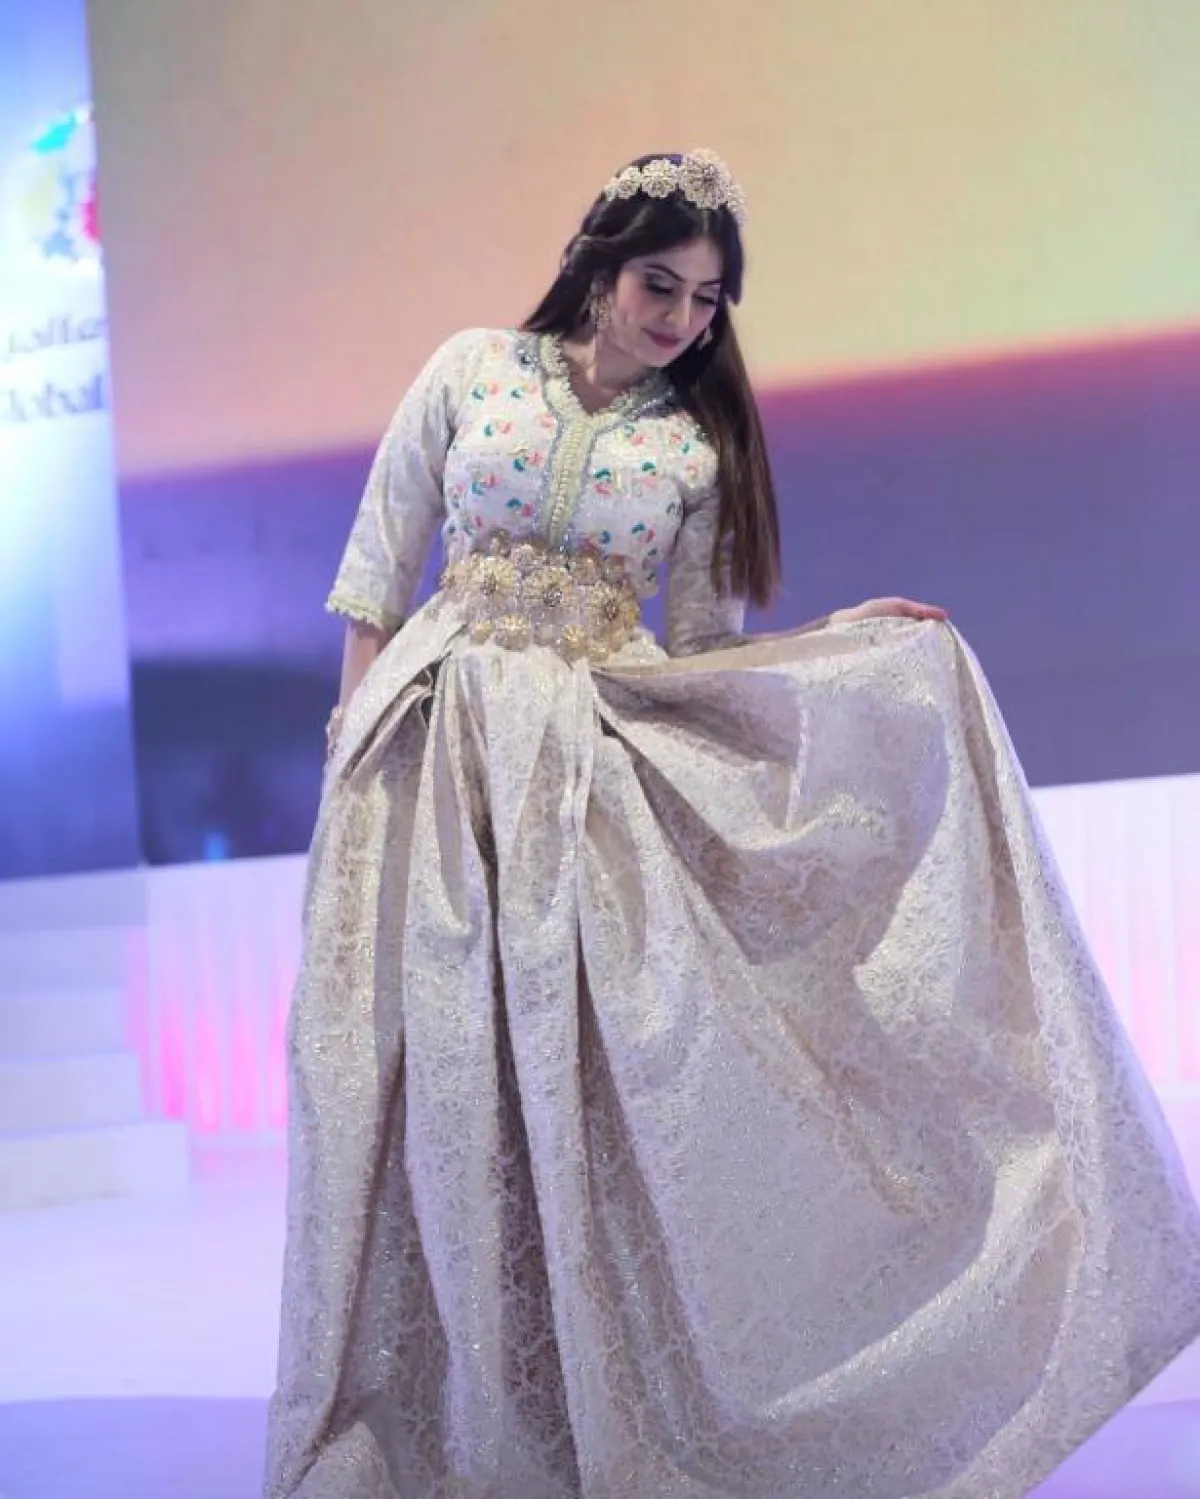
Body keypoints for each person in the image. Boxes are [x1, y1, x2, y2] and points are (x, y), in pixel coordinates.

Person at [263, 150, 1200, 1499]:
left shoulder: (693, 447)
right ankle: (429, 1426)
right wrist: (351, 744)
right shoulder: (472, 369)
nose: (682, 319)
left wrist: (843, 641)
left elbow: (704, 656)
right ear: (597, 264)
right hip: (427, 761)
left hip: (577, 784)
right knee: (426, 1081)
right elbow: (376, 565)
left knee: (567, 1095)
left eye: (707, 301)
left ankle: (567, 1422)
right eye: (662, 285)